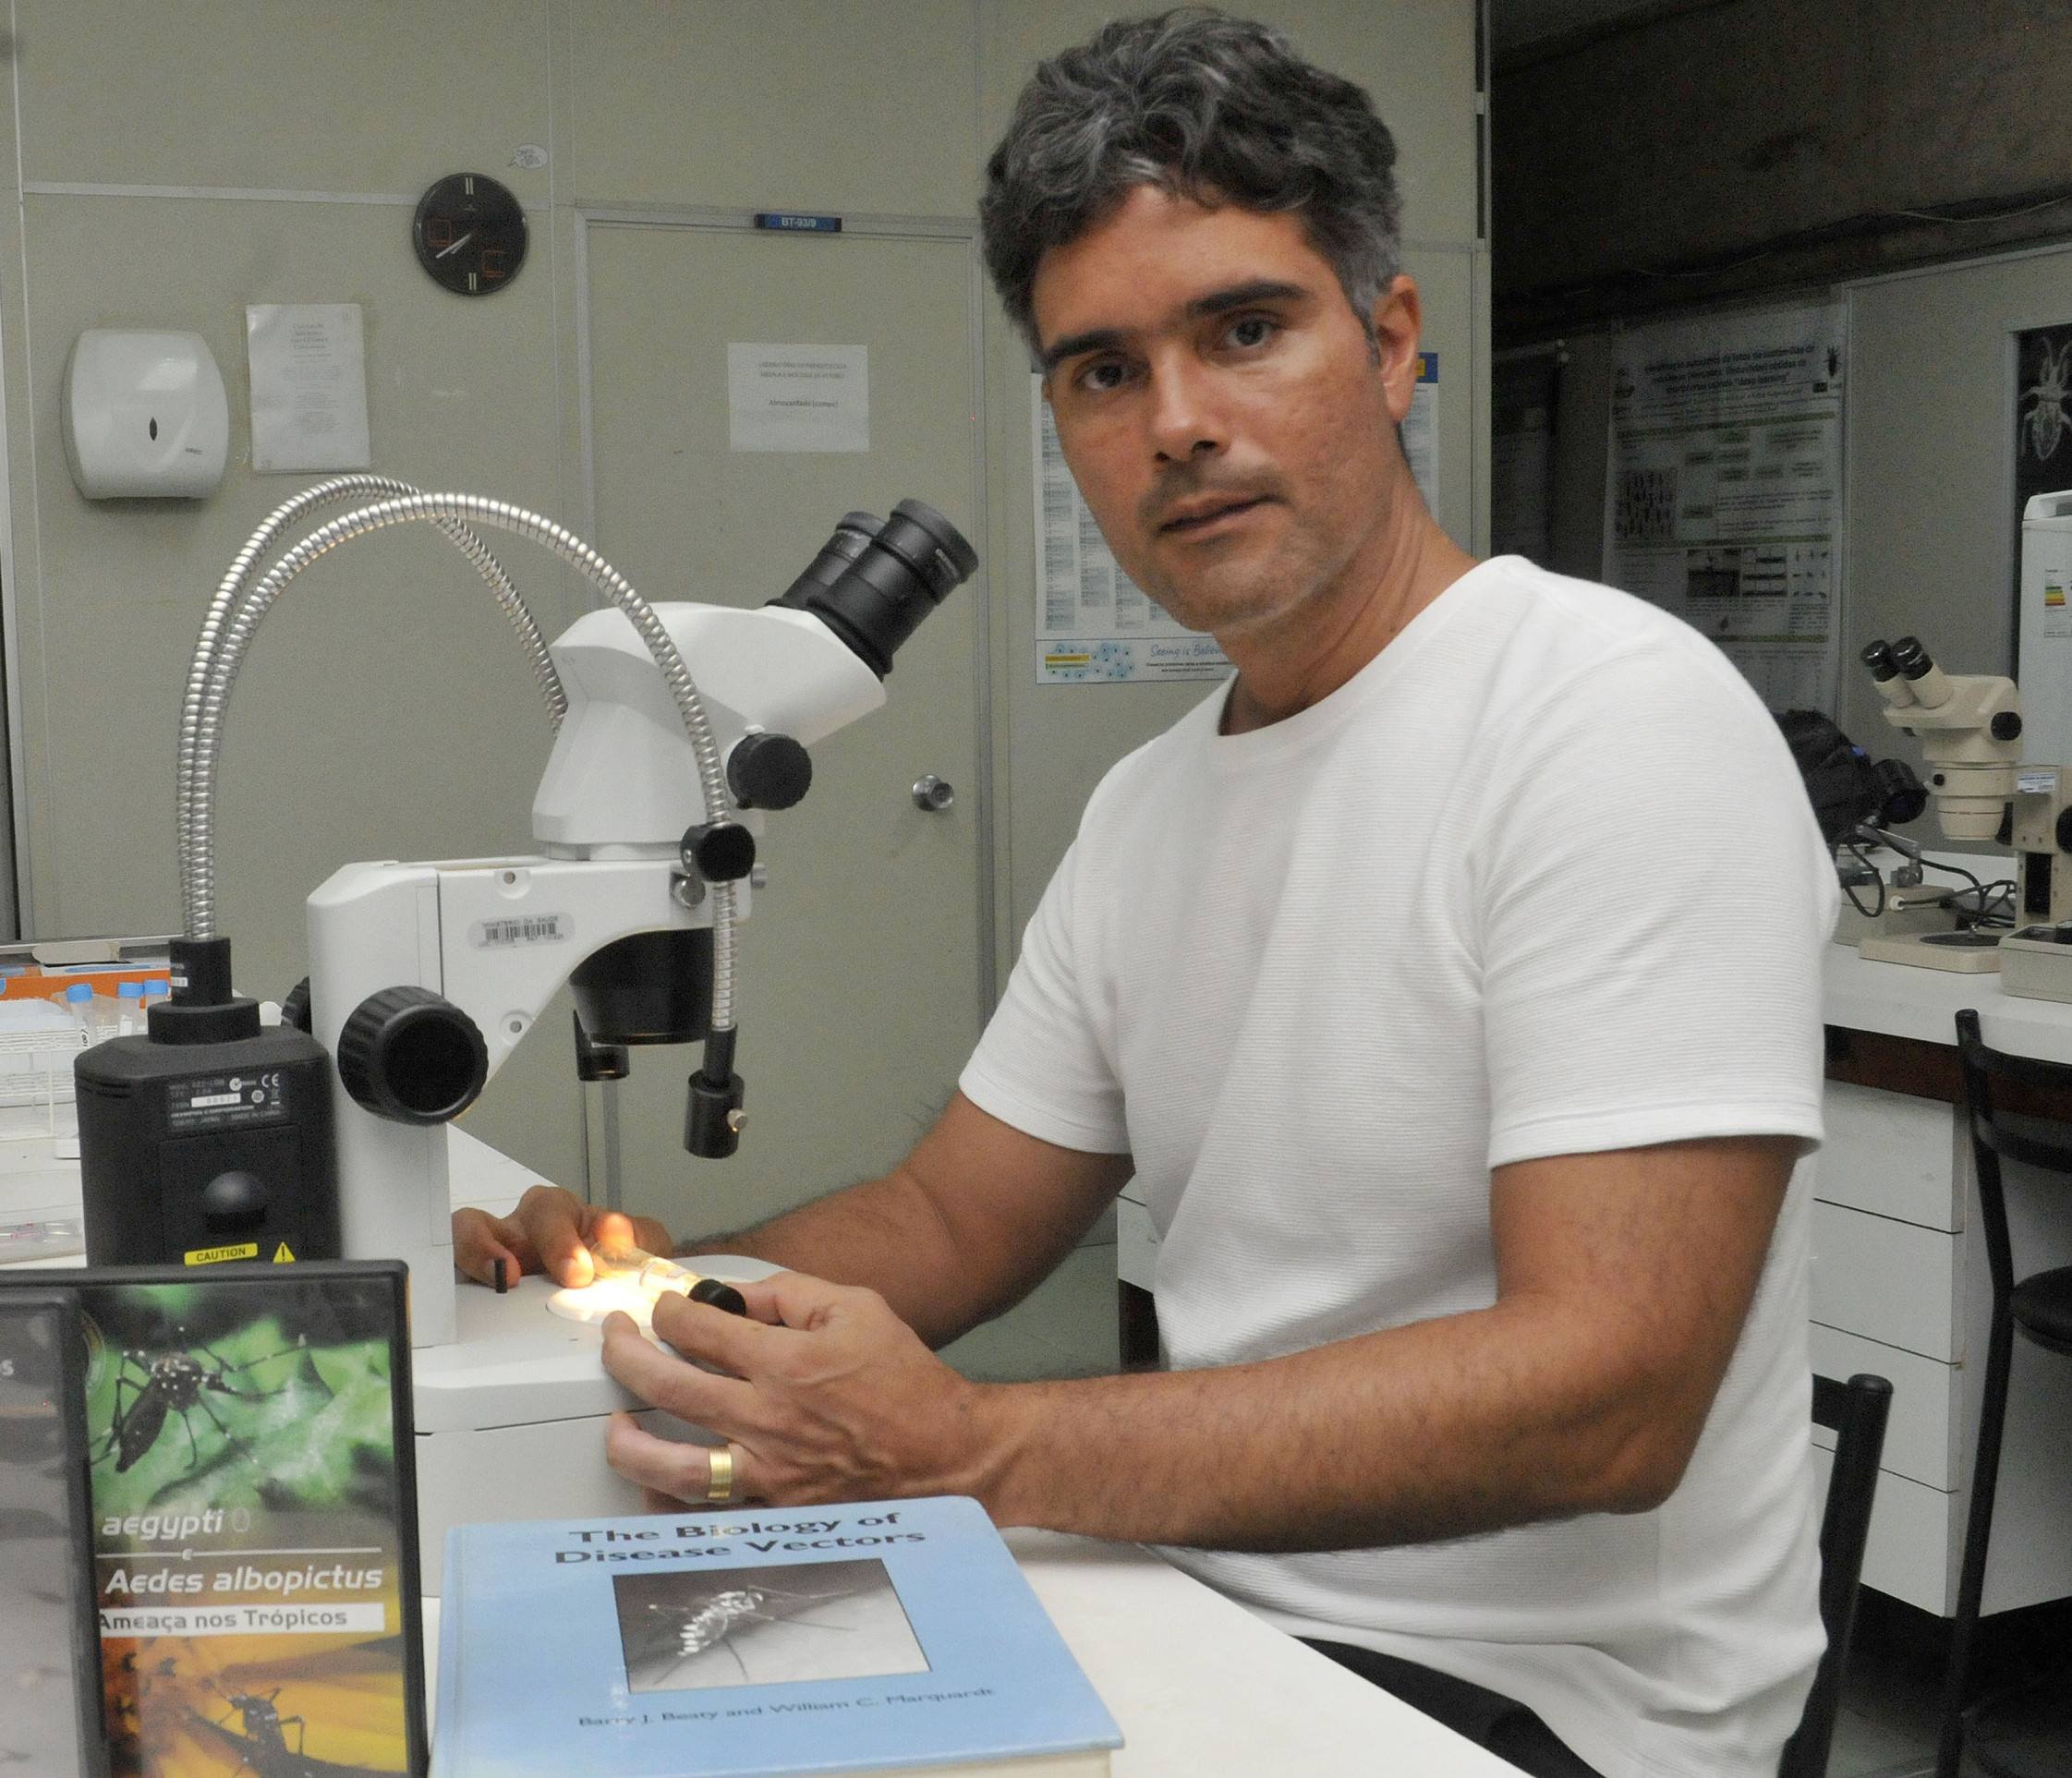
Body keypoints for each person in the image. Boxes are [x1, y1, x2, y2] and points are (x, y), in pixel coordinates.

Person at [454, 11, 1833, 1775]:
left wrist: (969, 1443)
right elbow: (956, 1222)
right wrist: (648, 1289)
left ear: (1393, 340)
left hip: (1539, 1704)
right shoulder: (1152, 804)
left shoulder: (1606, 721)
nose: (1178, 424)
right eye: (1104, 372)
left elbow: (1609, 1397)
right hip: (1202, 1595)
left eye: (1245, 330)